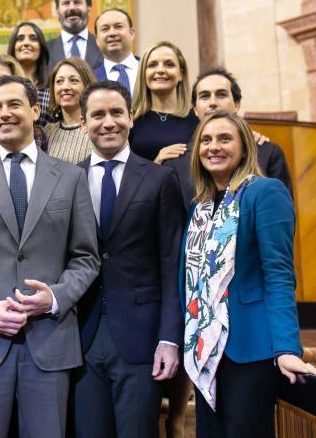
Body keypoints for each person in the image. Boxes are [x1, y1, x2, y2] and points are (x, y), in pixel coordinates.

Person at [0, 75, 100, 438]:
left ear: (34, 109)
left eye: (13, 105)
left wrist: (56, 297)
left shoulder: (70, 178)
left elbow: (86, 256)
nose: (4, 113)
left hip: (49, 340)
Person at [181, 111, 315, 437]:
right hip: (205, 348)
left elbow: (279, 273)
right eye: (207, 140)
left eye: (225, 139)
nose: (214, 147)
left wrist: (286, 347)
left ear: (244, 147)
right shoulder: (200, 207)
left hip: (250, 348)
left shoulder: (264, 192)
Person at [75, 81, 185, 437]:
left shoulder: (159, 178)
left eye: (116, 113)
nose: (108, 122)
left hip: (142, 338)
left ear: (131, 117)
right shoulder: (66, 179)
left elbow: (172, 265)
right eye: (97, 115)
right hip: (81, 337)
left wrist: (169, 337)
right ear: (82, 122)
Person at [164, 67, 292, 205]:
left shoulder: (269, 153)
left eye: (221, 95)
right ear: (195, 109)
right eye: (204, 96)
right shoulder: (175, 163)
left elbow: (282, 213)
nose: (212, 102)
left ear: (237, 104)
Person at [130, 41, 199, 164]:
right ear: (143, 74)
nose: (160, 70)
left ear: (181, 74)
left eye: (169, 64)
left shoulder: (196, 118)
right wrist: (157, 164)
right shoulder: (130, 119)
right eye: (152, 65)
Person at [44, 57, 95, 164]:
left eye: (74, 80)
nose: (65, 87)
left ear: (88, 86)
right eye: (59, 81)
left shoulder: (98, 130)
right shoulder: (46, 132)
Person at [6, 21, 53, 127]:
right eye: (20, 39)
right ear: (13, 47)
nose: (26, 43)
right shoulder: (3, 83)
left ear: (41, 47)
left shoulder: (53, 85)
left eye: (33, 38)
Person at [47, 0, 103, 69]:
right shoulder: (45, 50)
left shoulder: (103, 46)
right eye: (66, 3)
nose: (72, 8)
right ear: (57, 12)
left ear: (88, 10)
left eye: (77, 2)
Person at [93, 8, 139, 96]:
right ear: (97, 40)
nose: (112, 33)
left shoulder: (149, 71)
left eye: (118, 27)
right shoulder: (90, 78)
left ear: (132, 33)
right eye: (105, 29)